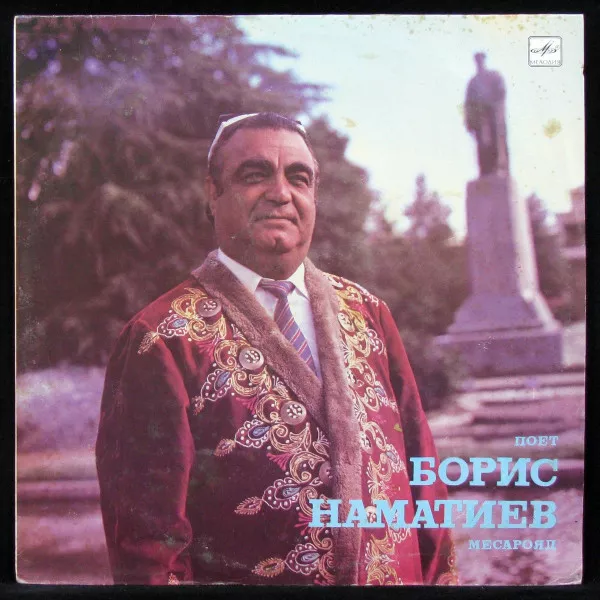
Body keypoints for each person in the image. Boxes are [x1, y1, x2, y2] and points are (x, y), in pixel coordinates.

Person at [96, 112, 457, 586]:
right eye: (255, 175)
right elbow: (148, 551)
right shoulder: (162, 337)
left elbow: (424, 482)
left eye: (299, 178)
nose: (281, 193)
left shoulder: (368, 313)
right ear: (212, 193)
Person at [464, 52, 509, 176]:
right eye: (477, 61)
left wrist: (493, 105)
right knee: (481, 146)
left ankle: (497, 168)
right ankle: (484, 171)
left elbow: (501, 92)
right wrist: (469, 121)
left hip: (493, 116)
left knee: (496, 142)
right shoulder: (473, 82)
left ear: (484, 61)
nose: (479, 63)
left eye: (481, 60)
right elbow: (468, 103)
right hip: (479, 119)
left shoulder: (494, 76)